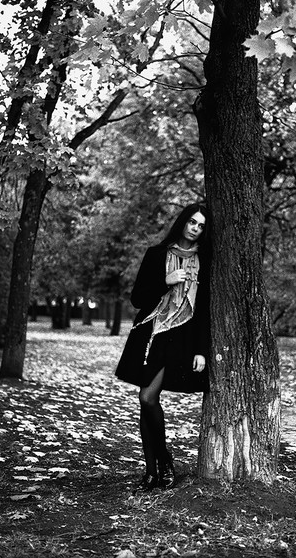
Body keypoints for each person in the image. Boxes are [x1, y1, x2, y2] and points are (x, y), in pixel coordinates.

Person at [115, 203, 210, 493]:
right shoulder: (157, 254)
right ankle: (155, 468)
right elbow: (138, 298)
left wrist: (201, 350)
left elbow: (204, 309)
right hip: (152, 333)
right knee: (147, 399)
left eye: (201, 225)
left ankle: (159, 467)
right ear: (182, 222)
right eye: (192, 222)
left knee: (147, 398)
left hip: (182, 335)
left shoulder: (205, 260)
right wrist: (165, 281)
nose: (195, 229)